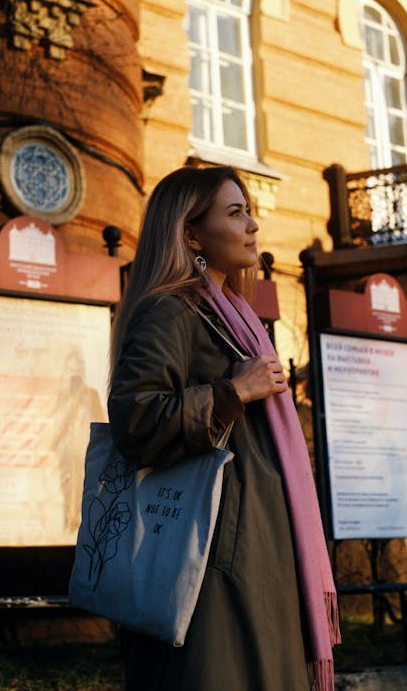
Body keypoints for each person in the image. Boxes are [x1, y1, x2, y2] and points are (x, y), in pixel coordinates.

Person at [107, 165, 340, 691]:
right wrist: (233, 392)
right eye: (235, 213)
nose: (253, 225)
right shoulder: (171, 310)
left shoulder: (236, 317)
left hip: (256, 557)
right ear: (190, 234)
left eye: (250, 211)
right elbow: (135, 419)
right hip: (210, 568)